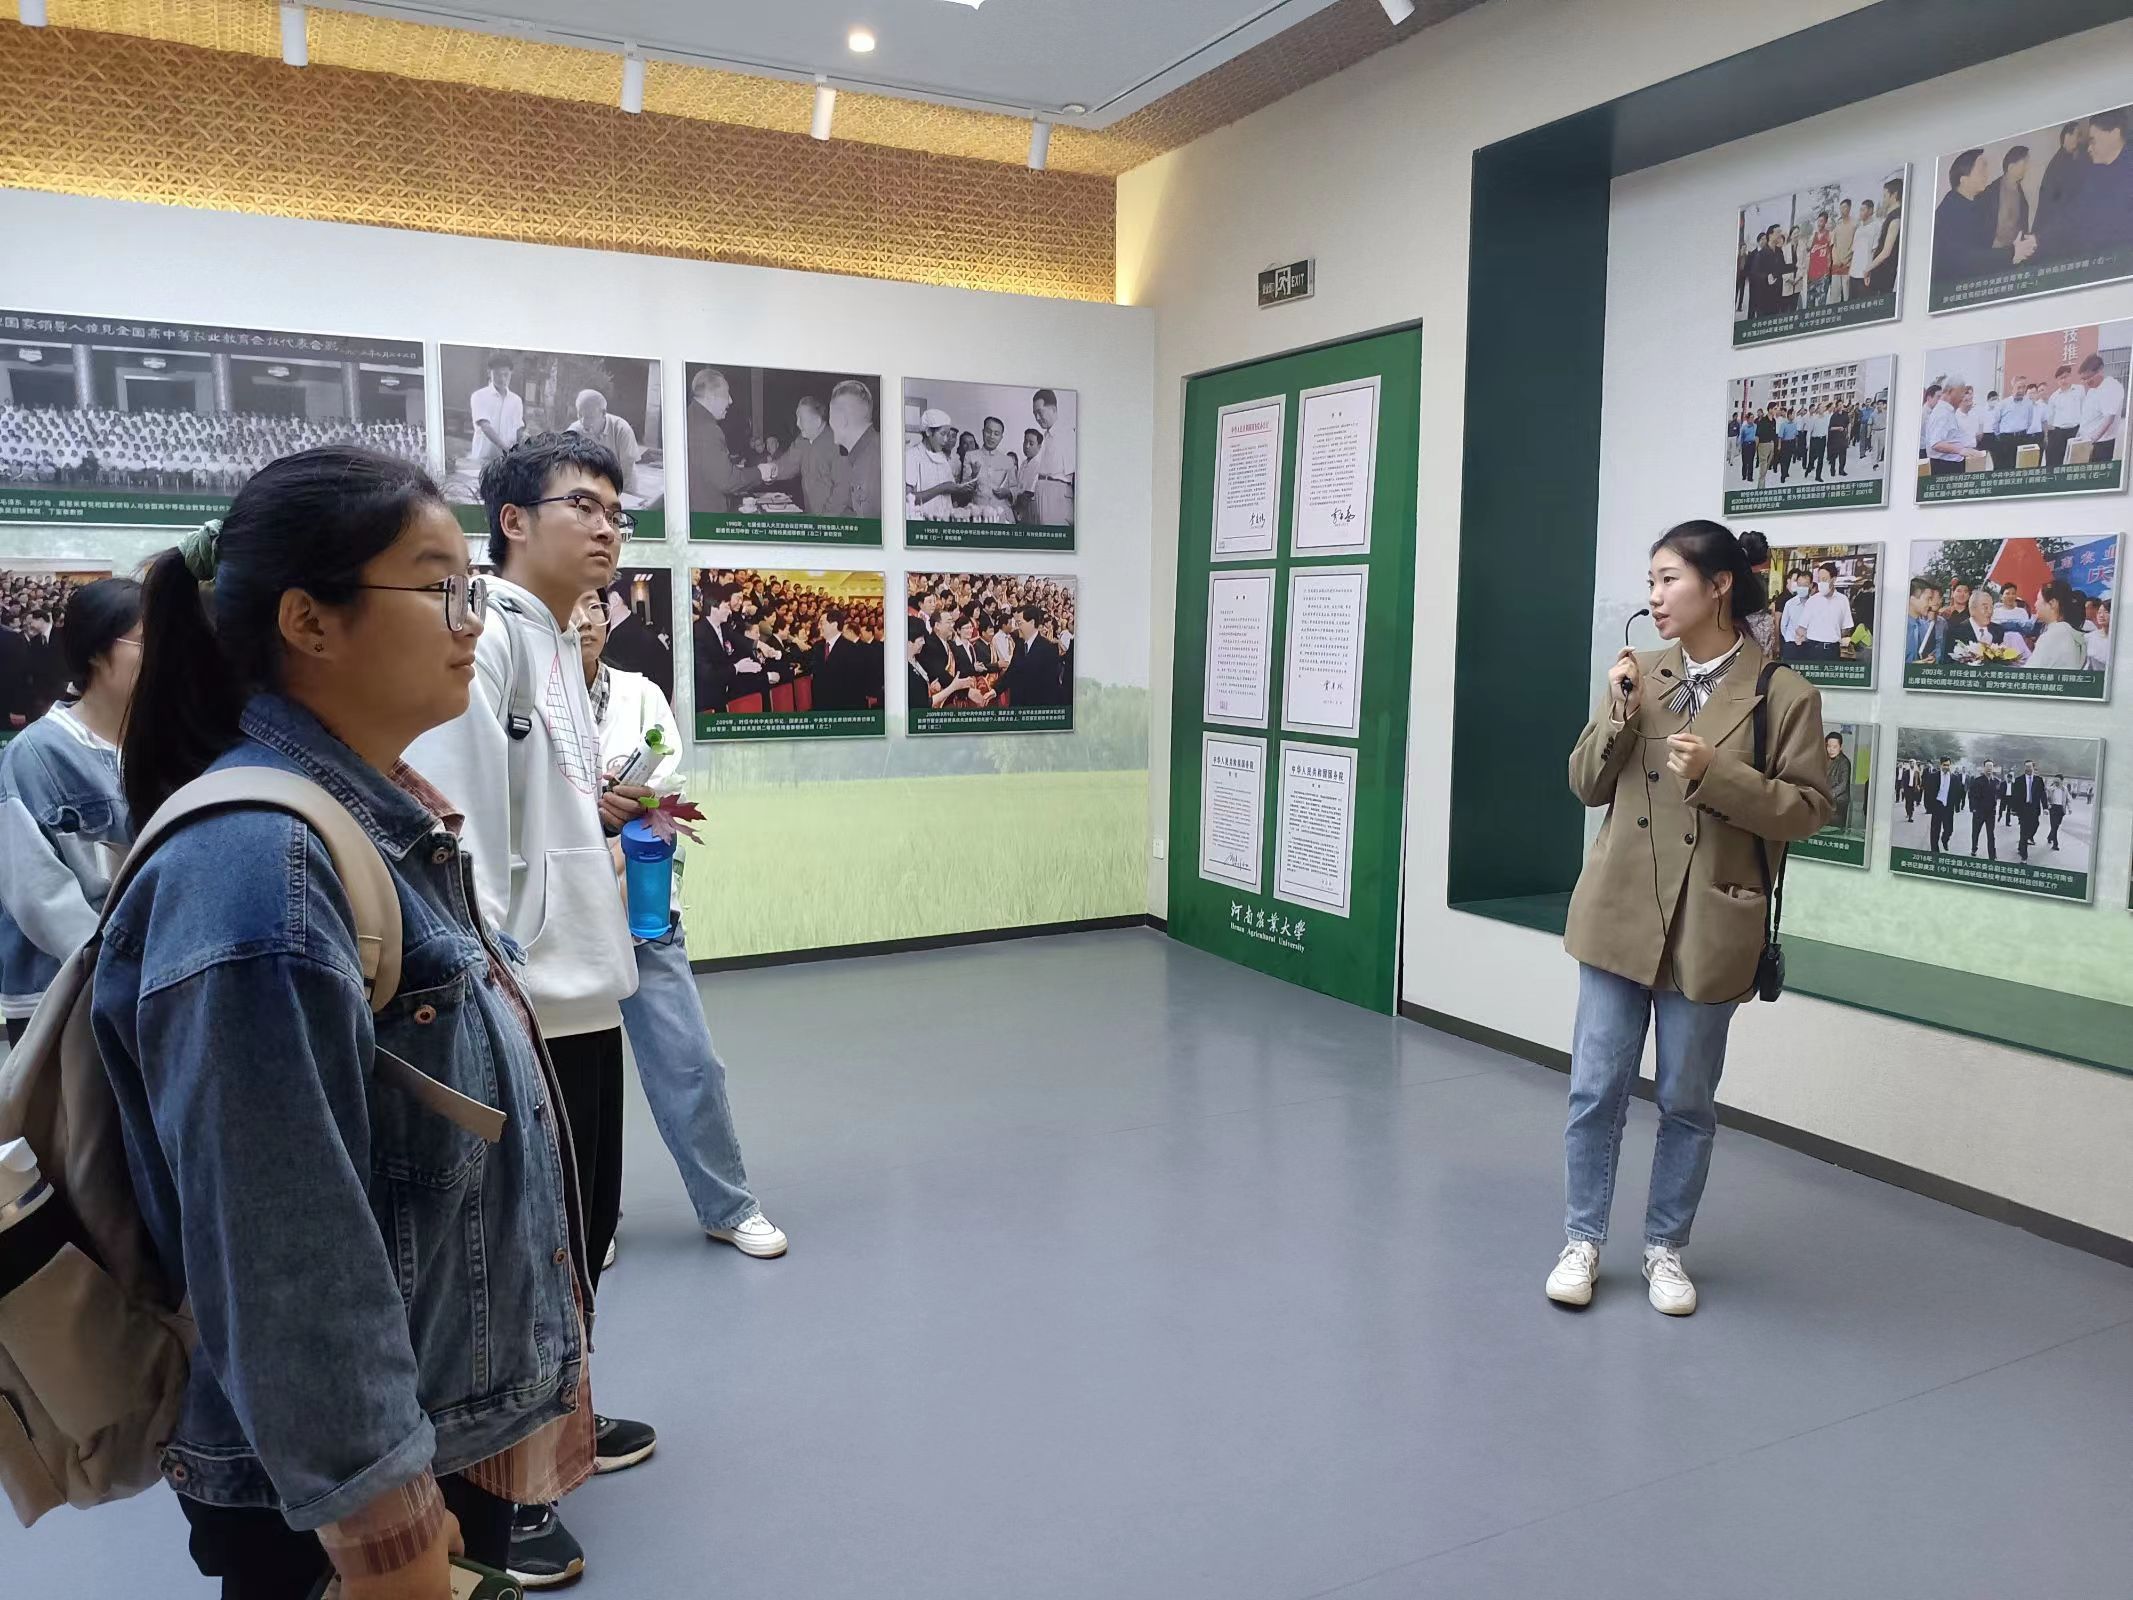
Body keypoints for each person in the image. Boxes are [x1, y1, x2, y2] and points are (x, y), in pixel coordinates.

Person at [94, 449, 592, 1598]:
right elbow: (279, 1249)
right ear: (309, 620)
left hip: (420, 1425)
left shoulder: (368, 820)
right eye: (439, 586)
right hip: (340, 1494)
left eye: (473, 587)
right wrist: (384, 1525)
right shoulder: (260, 869)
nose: (472, 620)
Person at [404, 434, 655, 1587]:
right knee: (514, 1252)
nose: (607, 528)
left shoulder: (558, 641)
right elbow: (464, 836)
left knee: (579, 1235)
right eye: (582, 505)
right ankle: (508, 1485)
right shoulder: (489, 633)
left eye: (617, 511)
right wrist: (490, 993)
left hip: (584, 989)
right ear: (511, 519)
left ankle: (561, 1424)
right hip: (524, 1001)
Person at [1549, 519, 1832, 1317]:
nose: (1654, 596)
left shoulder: (1783, 694)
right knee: (1593, 1090)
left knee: (1685, 1100)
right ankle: (1581, 1239)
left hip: (1709, 922)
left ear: (1718, 586)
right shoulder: (1639, 672)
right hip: (1617, 912)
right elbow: (1585, 785)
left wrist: (1718, 775)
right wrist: (1616, 710)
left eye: (1668, 578)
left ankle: (1664, 1248)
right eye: (1650, 581)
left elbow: (1808, 811)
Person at [571, 592, 788, 1260]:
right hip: (558, 921)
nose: (581, 619)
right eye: (567, 605)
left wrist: (610, 849)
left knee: (689, 1063)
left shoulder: (640, 696)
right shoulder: (525, 702)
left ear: (607, 619)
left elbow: (666, 798)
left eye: (591, 605)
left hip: (639, 911)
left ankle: (728, 1206)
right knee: (574, 1078)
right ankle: (589, 1221)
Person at [0, 577, 140, 1044]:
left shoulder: (160, 747)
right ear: (98, 651)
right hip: (59, 991)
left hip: (143, 988)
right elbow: (37, 891)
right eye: (148, 642)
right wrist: (114, 968)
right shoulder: (37, 753)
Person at [1934, 148, 2037, 284]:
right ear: (1964, 180)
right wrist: (2011, 253)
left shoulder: (1978, 203)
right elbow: (1966, 259)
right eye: (1981, 170)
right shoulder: (1950, 211)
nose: (1986, 174)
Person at [2046, 107, 2133, 262]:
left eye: (2093, 140)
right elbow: (2075, 212)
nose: (2089, 148)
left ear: (2114, 134)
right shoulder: (2092, 172)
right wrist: (2038, 239)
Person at [686, 367, 752, 516]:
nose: (731, 401)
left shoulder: (689, 417)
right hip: (708, 517)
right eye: (727, 394)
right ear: (711, 397)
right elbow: (727, 481)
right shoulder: (708, 429)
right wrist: (760, 472)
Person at [764, 394, 839, 514]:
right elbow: (788, 463)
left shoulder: (837, 443)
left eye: (801, 419)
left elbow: (842, 490)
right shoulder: (802, 440)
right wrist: (769, 470)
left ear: (817, 421)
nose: (797, 424)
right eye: (797, 418)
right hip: (810, 513)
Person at [567, 390, 644, 498]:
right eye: (580, 415)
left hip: (622, 486)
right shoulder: (574, 431)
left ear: (603, 413)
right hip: (590, 486)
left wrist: (617, 495)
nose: (583, 422)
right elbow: (566, 466)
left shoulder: (622, 429)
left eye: (589, 417)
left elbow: (627, 469)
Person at [824, 379, 882, 517]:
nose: (829, 423)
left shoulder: (872, 462)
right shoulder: (867, 452)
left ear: (841, 420)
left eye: (831, 417)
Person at [995, 603, 1067, 707]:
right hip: (1017, 706)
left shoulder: (1048, 649)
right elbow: (1011, 672)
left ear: (1032, 622)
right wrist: (995, 690)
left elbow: (1050, 687)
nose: (1017, 627)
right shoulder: (1019, 645)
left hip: (1035, 708)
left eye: (1019, 623)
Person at [806, 604, 874, 710]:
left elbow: (855, 684)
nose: (819, 627)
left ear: (834, 625)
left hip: (843, 707)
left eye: (822, 623)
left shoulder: (852, 649)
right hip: (820, 707)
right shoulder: (818, 647)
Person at [904, 409, 969, 517]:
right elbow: (908, 498)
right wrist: (941, 488)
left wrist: (961, 488)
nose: (946, 440)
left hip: (944, 520)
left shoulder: (941, 457)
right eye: (943, 434)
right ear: (928, 432)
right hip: (923, 520)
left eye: (948, 435)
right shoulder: (912, 456)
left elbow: (950, 490)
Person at [1030, 388, 1077, 525]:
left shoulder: (1067, 434)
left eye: (1040, 412)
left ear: (1053, 409)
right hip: (1044, 493)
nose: (1037, 418)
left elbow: (1075, 474)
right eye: (1034, 414)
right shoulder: (1047, 436)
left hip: (1056, 495)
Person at [469, 354, 524, 469]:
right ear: (489, 372)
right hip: (483, 461)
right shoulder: (479, 396)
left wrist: (524, 448)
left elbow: (518, 430)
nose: (502, 379)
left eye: (506, 375)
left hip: (507, 461)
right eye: (498, 374)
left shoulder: (516, 400)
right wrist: (507, 449)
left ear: (511, 373)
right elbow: (485, 427)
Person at [2036, 121, 2087, 242]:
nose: (2079, 139)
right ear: (2067, 136)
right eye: (2077, 135)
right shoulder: (2060, 163)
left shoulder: (2066, 158)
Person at [2073, 352, 2125, 465]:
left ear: (2100, 370)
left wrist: (2092, 441)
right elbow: (2087, 417)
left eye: (2089, 377)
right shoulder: (2092, 390)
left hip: (2101, 444)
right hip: (2086, 442)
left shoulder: (2111, 387)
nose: (2086, 382)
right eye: (2083, 379)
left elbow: (2109, 419)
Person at [2025, 580, 2090, 670]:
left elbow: (2031, 671)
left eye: (2038, 599)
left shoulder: (2053, 635)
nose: (2035, 604)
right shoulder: (2069, 632)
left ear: (2052, 603)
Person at [1859, 179, 1902, 295]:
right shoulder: (1892, 216)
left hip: (1885, 273)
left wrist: (1868, 269)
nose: (1883, 199)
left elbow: (1886, 252)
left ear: (1894, 195)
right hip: (1880, 271)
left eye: (1885, 196)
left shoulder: (1896, 218)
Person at [1990, 145, 2033, 250]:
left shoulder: (2020, 194)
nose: (2027, 167)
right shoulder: (1991, 191)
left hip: (2014, 249)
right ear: (2011, 167)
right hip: (1994, 249)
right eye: (2024, 163)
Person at [2045, 365, 2085, 468]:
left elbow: (2085, 410)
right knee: (2054, 462)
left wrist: (2082, 430)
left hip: (2076, 430)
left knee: (2076, 461)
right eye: (2060, 378)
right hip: (2058, 432)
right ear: (2057, 380)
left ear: (2070, 376)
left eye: (2066, 377)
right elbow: (2050, 418)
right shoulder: (2054, 396)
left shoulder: (2080, 390)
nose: (2063, 380)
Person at [2008, 760, 2046, 862]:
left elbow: (2043, 794)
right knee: (2023, 831)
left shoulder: (2038, 780)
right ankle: (2024, 856)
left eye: (2030, 767)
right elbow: (2015, 795)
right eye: (2026, 767)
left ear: (2033, 768)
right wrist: (2013, 809)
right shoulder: (2019, 780)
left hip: (2034, 808)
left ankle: (2024, 841)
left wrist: (2045, 807)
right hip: (2023, 809)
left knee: (2035, 825)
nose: (2028, 769)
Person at [1923, 756, 1962, 854]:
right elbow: (1928, 791)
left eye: (1948, 765)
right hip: (1937, 805)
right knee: (1935, 829)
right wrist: (1928, 807)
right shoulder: (1933, 776)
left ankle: (1945, 839)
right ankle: (1934, 850)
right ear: (1940, 765)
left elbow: (1958, 793)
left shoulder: (1954, 778)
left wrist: (1957, 807)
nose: (1946, 767)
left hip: (1948, 807)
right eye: (1944, 765)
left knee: (1949, 830)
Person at [1966, 760, 2004, 858]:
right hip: (1979, 811)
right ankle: (1974, 848)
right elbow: (1971, 795)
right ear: (1984, 768)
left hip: (1991, 812)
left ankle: (1992, 855)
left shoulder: (1996, 782)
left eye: (1991, 767)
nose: (1989, 769)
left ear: (1993, 768)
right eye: (1987, 767)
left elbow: (2000, 795)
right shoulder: (1977, 781)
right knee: (1976, 832)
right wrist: (1973, 808)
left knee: (1991, 834)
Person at [1906, 578, 1944, 664]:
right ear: (1912, 599)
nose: (1930, 604)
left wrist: (1929, 660)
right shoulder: (1897, 626)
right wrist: (1915, 664)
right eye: (1928, 599)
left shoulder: (1926, 627)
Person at [1823, 730, 1853, 831]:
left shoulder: (1844, 762)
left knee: (1834, 830)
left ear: (1840, 747)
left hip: (1838, 803)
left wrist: (1827, 795)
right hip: (1825, 800)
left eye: (1834, 747)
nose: (1831, 750)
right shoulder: (1824, 759)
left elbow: (1843, 785)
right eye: (1829, 746)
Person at [1828, 197, 1856, 304]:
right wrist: (1837, 260)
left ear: (1849, 208)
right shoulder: (1837, 227)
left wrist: (1846, 260)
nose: (1842, 210)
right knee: (1834, 295)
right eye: (1841, 208)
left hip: (1848, 265)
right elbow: (1833, 246)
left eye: (1844, 207)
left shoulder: (1854, 225)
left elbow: (1855, 245)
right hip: (1836, 265)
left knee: (1847, 295)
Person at [1805, 212, 1833, 307]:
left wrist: (1828, 271)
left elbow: (1831, 253)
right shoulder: (1814, 235)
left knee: (1821, 303)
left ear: (1825, 222)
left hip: (1823, 274)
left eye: (1821, 221)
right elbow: (1807, 248)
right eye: (1818, 221)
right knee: (1809, 303)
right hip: (1812, 274)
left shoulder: (1830, 235)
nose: (1819, 223)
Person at [2046, 772, 2071, 851]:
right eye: (2055, 780)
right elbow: (2047, 799)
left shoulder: (2065, 789)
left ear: (2061, 781)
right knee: (2054, 826)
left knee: (2056, 826)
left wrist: (2069, 808)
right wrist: (2048, 805)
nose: (2056, 782)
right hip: (2053, 808)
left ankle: (2050, 837)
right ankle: (2055, 844)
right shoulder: (2051, 789)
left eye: (2058, 781)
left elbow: (2068, 799)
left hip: (2061, 809)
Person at [1736, 413, 1757, 484]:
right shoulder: (1744, 427)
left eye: (1753, 418)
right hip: (1745, 445)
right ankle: (1744, 475)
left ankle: (1750, 477)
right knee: (1744, 461)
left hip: (1752, 444)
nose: (1752, 419)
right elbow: (1741, 437)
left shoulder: (1755, 426)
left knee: (1751, 461)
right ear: (1747, 419)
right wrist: (1740, 446)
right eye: (1751, 418)